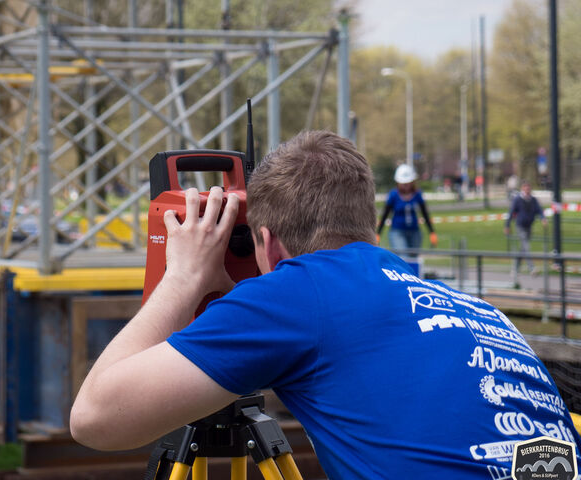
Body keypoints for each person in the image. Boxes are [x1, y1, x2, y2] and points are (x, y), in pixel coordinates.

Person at [69, 131, 578, 478]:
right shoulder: (479, 311)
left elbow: (93, 419)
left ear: (269, 245)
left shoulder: (298, 294)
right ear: (369, 229)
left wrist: (183, 278)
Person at [377, 164, 437, 268]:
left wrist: (431, 232)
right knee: (403, 259)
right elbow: (385, 214)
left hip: (414, 232)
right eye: (403, 183)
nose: (405, 185)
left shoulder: (417, 194)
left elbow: (425, 213)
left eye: (407, 183)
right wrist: (378, 233)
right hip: (397, 232)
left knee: (413, 260)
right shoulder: (393, 195)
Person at [505, 181, 547, 284]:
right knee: (526, 246)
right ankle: (531, 268)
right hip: (520, 226)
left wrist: (543, 218)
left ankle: (515, 269)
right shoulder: (518, 199)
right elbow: (511, 211)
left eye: (529, 188)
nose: (527, 190)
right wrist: (507, 225)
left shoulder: (533, 200)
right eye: (526, 188)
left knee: (523, 249)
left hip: (529, 226)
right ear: (522, 188)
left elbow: (539, 210)